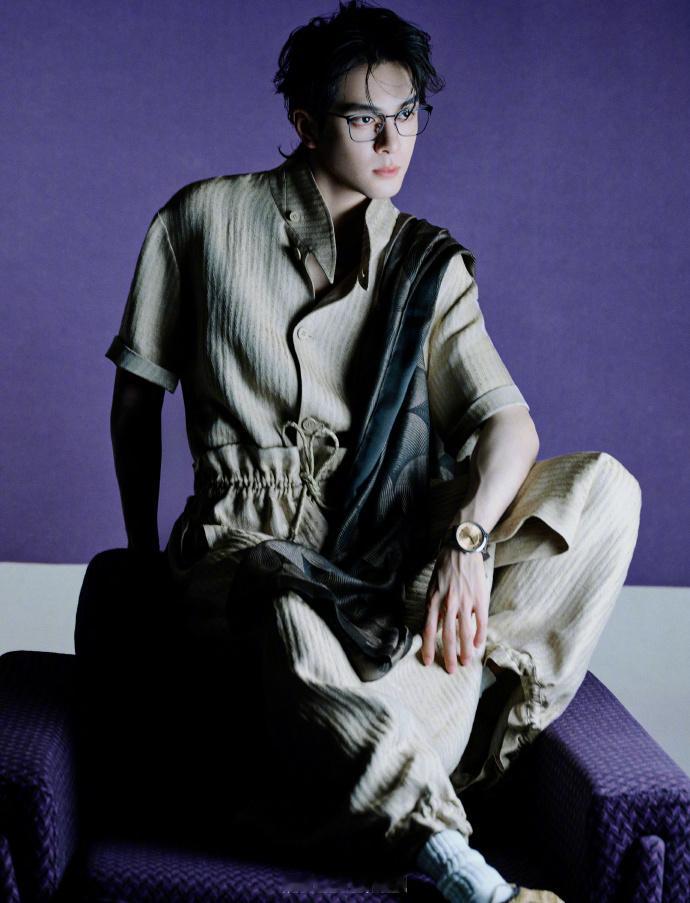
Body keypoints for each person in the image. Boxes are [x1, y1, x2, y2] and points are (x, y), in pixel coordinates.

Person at [76, 2, 642, 901]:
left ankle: (388, 745)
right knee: (284, 603)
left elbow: (511, 427)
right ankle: (466, 873)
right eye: (363, 118)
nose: (392, 140)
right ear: (306, 123)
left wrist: (466, 542)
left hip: (389, 572)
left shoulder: (427, 264)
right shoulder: (200, 221)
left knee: (602, 491)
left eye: (407, 114)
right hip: (243, 560)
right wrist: (144, 557)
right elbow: (135, 402)